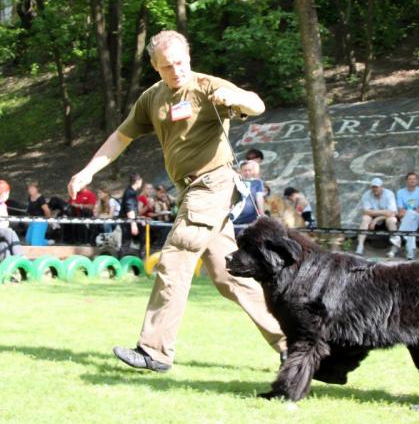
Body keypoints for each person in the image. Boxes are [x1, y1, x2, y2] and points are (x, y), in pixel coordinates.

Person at [67, 30, 286, 372]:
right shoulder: (152, 99)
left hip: (212, 183)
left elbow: (256, 104)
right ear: (155, 67)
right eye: (167, 66)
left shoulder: (205, 85)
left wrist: (235, 98)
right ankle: (293, 342)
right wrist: (88, 170)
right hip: (189, 190)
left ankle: (154, 350)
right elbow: (120, 137)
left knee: (175, 258)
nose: (176, 71)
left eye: (180, 62)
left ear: (189, 58)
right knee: (230, 276)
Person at [355, 177, 401, 258]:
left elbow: (392, 213)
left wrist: (376, 219)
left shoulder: (389, 194)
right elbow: (366, 211)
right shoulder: (367, 194)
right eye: (373, 187)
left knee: (392, 220)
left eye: (376, 187)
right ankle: (360, 245)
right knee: (365, 218)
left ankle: (394, 247)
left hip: (384, 218)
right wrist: (384, 212)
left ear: (382, 187)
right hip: (374, 217)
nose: (374, 189)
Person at [395, 172, 419, 260]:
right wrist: (409, 213)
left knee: (410, 215)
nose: (412, 181)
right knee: (410, 223)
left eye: (414, 179)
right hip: (405, 219)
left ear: (417, 181)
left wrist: (409, 212)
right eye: (410, 179)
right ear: (406, 181)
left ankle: (398, 236)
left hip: (418, 218)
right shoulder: (400, 192)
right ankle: (410, 253)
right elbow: (400, 212)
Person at [232, 160, 266, 236]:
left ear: (253, 171)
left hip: (251, 219)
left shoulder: (258, 182)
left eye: (249, 170)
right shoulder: (236, 182)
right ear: (240, 171)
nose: (247, 172)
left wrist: (262, 214)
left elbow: (259, 198)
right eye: (245, 170)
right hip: (236, 219)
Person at [0, 180, 23, 260]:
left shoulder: (3, 204)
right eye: (7, 193)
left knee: (4, 245)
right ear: (4, 193)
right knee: (10, 233)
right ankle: (20, 257)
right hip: (2, 230)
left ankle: (9, 262)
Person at [25, 181, 53, 246]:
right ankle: (46, 242)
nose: (30, 190)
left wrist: (47, 220)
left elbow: (47, 210)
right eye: (29, 188)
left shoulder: (40, 198)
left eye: (32, 188)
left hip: (40, 221)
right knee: (28, 239)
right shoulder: (30, 197)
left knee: (35, 243)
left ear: (37, 189)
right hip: (33, 220)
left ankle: (42, 247)